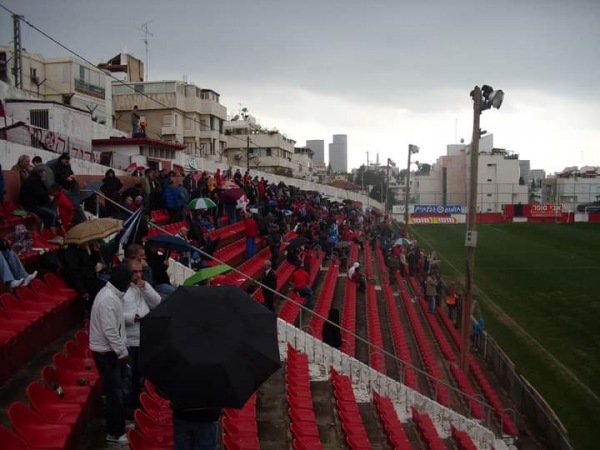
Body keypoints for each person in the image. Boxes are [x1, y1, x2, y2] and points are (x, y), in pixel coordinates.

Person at [89, 265, 133, 445]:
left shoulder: (113, 296)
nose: (130, 285)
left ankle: (120, 424)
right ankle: (114, 433)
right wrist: (122, 352)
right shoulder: (108, 299)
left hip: (111, 351)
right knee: (114, 393)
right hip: (107, 353)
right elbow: (110, 330)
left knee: (118, 390)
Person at [122, 258, 161, 413]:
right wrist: (133, 317)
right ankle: (126, 409)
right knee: (127, 377)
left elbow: (157, 302)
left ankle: (138, 405)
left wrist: (146, 288)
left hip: (142, 338)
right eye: (135, 272)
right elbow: (115, 313)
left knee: (140, 376)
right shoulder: (121, 289)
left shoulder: (143, 286)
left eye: (140, 271)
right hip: (128, 339)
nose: (138, 275)